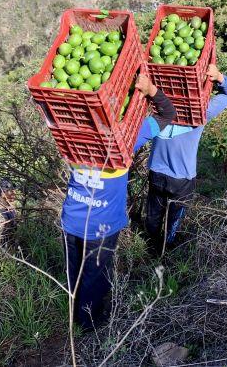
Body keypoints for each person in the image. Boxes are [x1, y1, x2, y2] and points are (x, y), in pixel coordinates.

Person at [61, 74, 175, 331]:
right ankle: (89, 324)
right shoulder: (127, 139)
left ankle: (74, 314)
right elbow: (168, 114)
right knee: (95, 277)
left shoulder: (75, 134)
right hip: (101, 225)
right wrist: (151, 89)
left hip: (72, 218)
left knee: (74, 273)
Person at [145, 63, 227, 254]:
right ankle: (166, 248)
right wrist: (219, 77)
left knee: (154, 213)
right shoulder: (199, 112)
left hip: (156, 172)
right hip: (182, 179)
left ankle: (151, 247)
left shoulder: (157, 108)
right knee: (175, 216)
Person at [0, 178, 18, 243]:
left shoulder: (9, 205)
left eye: (13, 190)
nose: (14, 193)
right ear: (2, 192)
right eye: (10, 190)